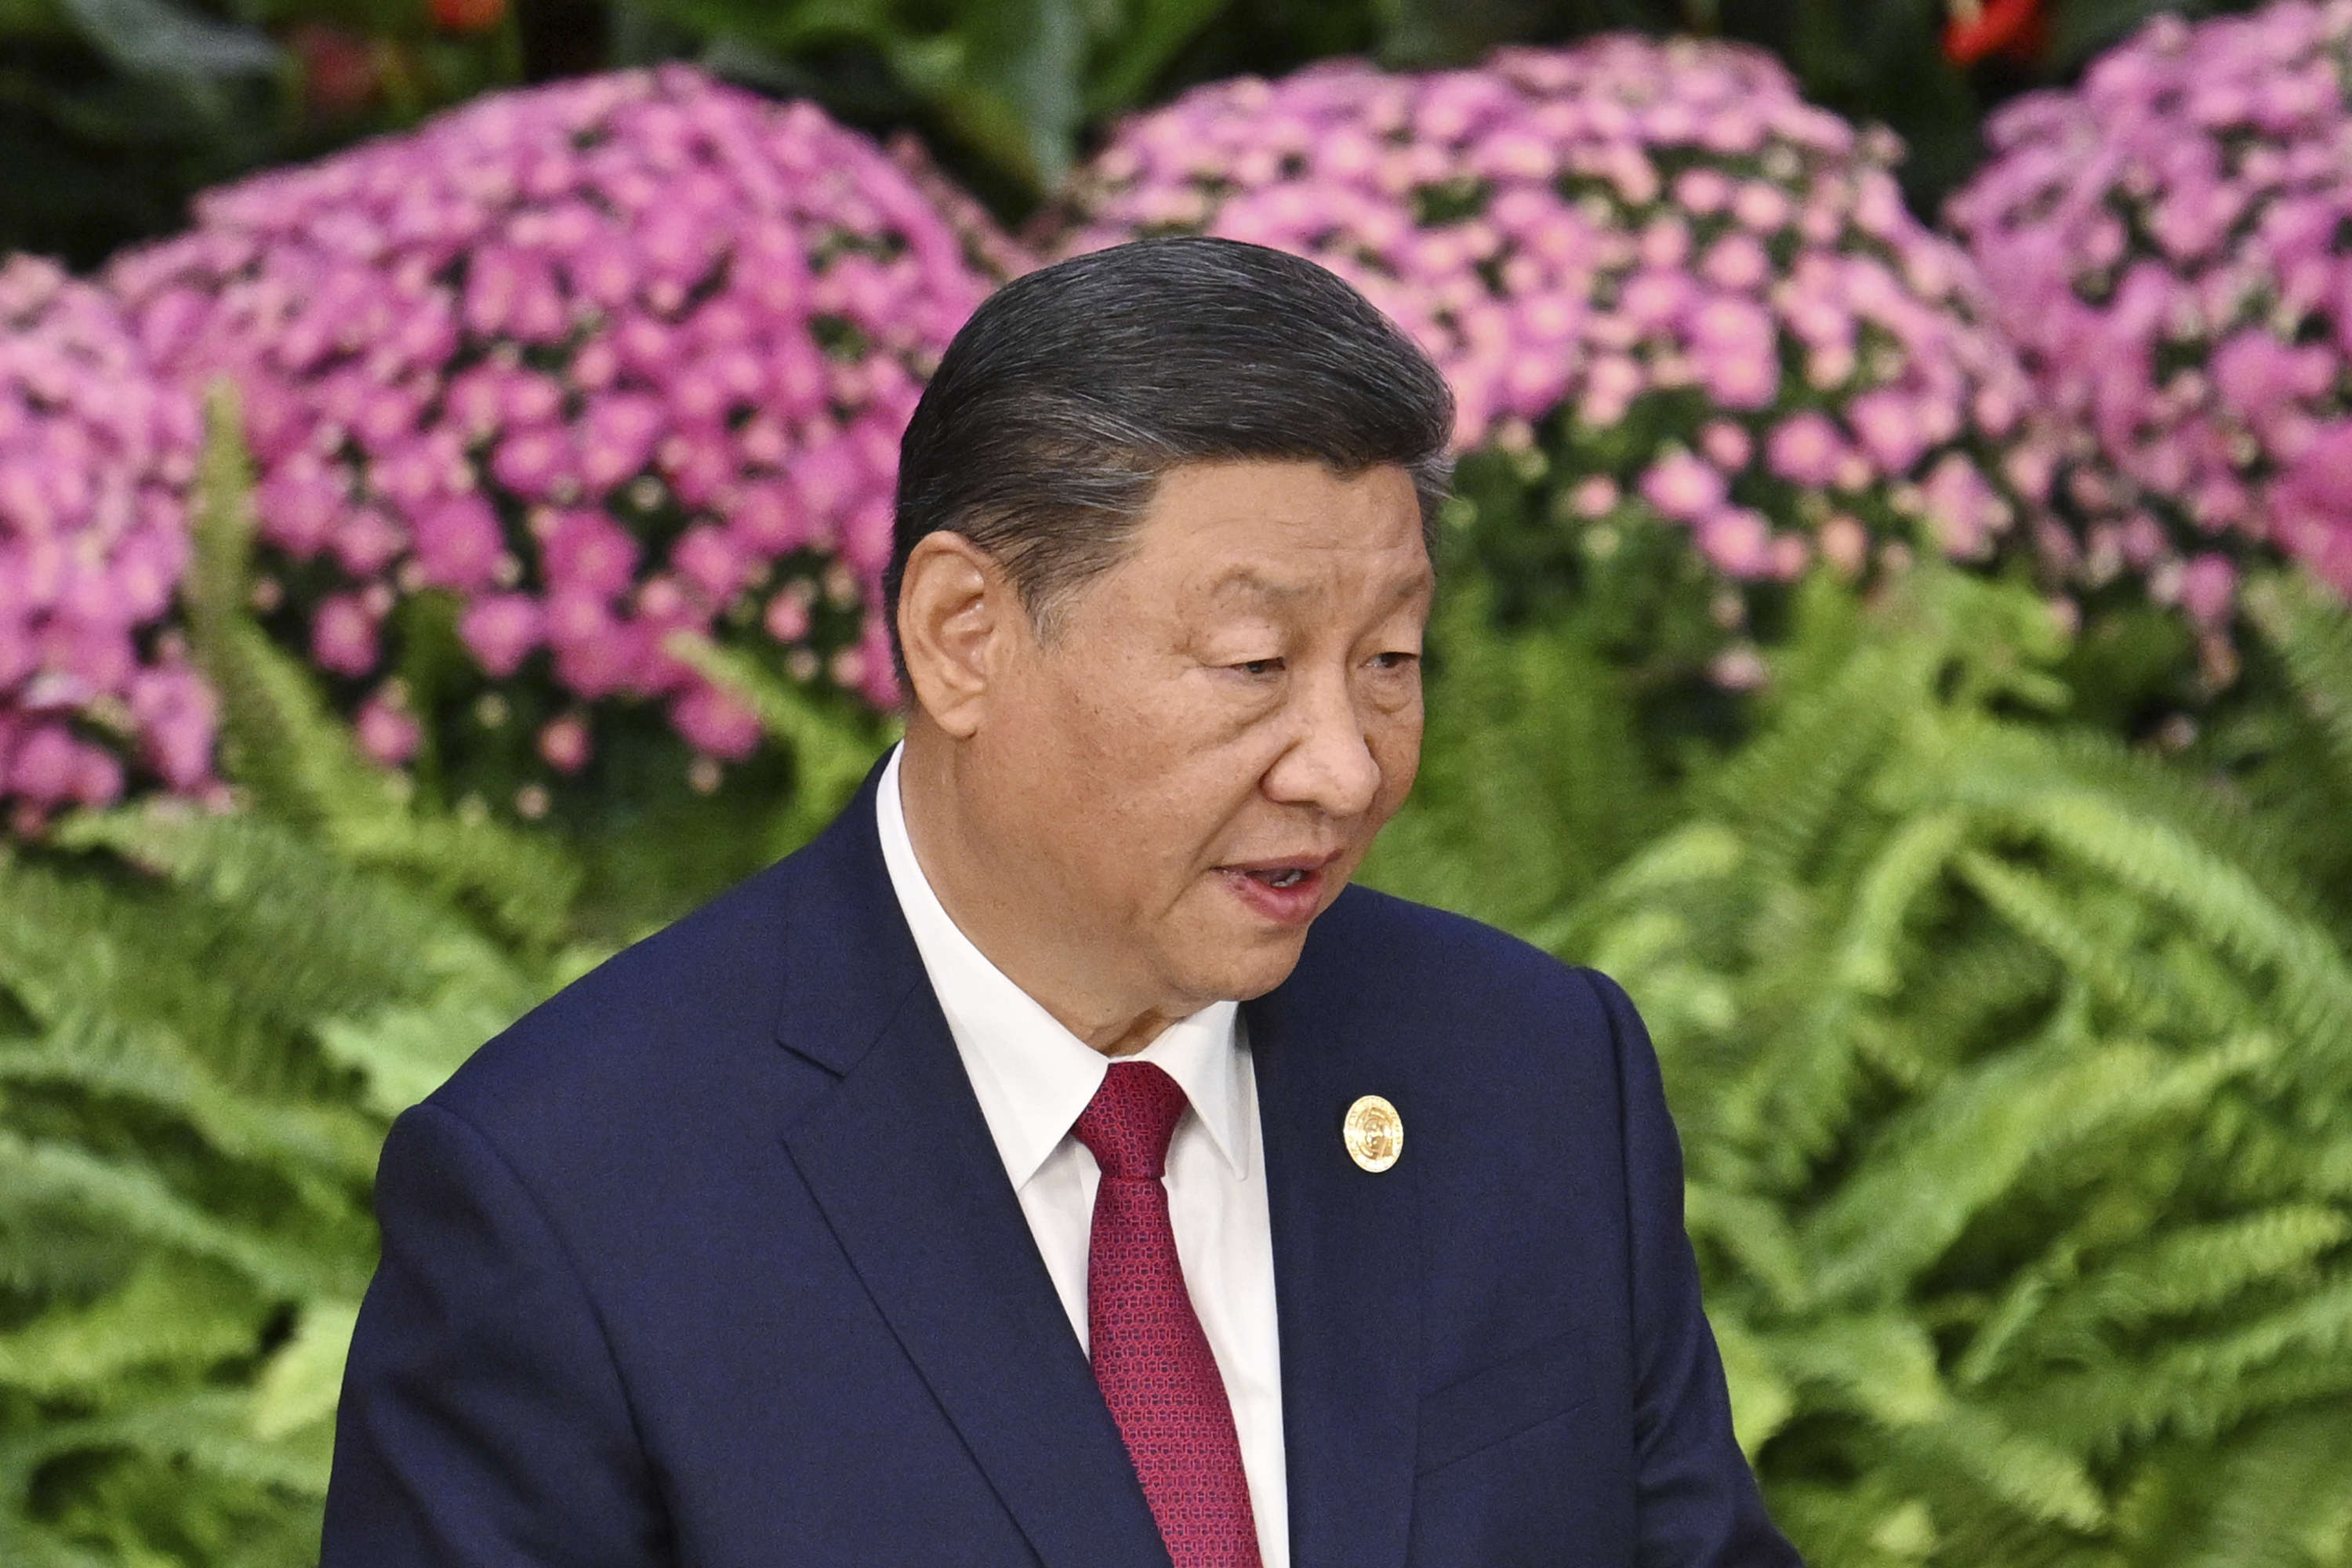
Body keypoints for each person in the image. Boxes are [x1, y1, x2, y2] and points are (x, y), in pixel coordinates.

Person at [321, 236, 1800, 1567]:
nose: (1346, 770)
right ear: (965, 635)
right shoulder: (575, 1195)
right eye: (1253, 666)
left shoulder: (1530, 1072)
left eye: (1391, 662)